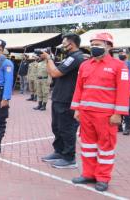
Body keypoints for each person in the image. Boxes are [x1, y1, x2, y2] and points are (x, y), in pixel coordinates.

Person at [71, 32, 130, 192]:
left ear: (109, 46)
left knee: (106, 147)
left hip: (106, 116)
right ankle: (88, 174)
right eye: (92, 45)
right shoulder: (85, 65)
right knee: (88, 146)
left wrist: (118, 113)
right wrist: (77, 108)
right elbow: (79, 88)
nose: (94, 47)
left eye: (98, 44)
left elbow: (124, 92)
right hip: (86, 113)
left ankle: (103, 178)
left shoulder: (119, 66)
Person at [39, 33, 85, 169]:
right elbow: (51, 71)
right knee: (57, 127)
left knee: (67, 129)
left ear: (72, 44)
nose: (62, 46)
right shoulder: (69, 57)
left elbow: (55, 73)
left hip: (68, 99)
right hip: (59, 97)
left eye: (64, 44)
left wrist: (49, 58)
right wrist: (48, 60)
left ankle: (69, 158)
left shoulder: (76, 58)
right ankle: (59, 152)